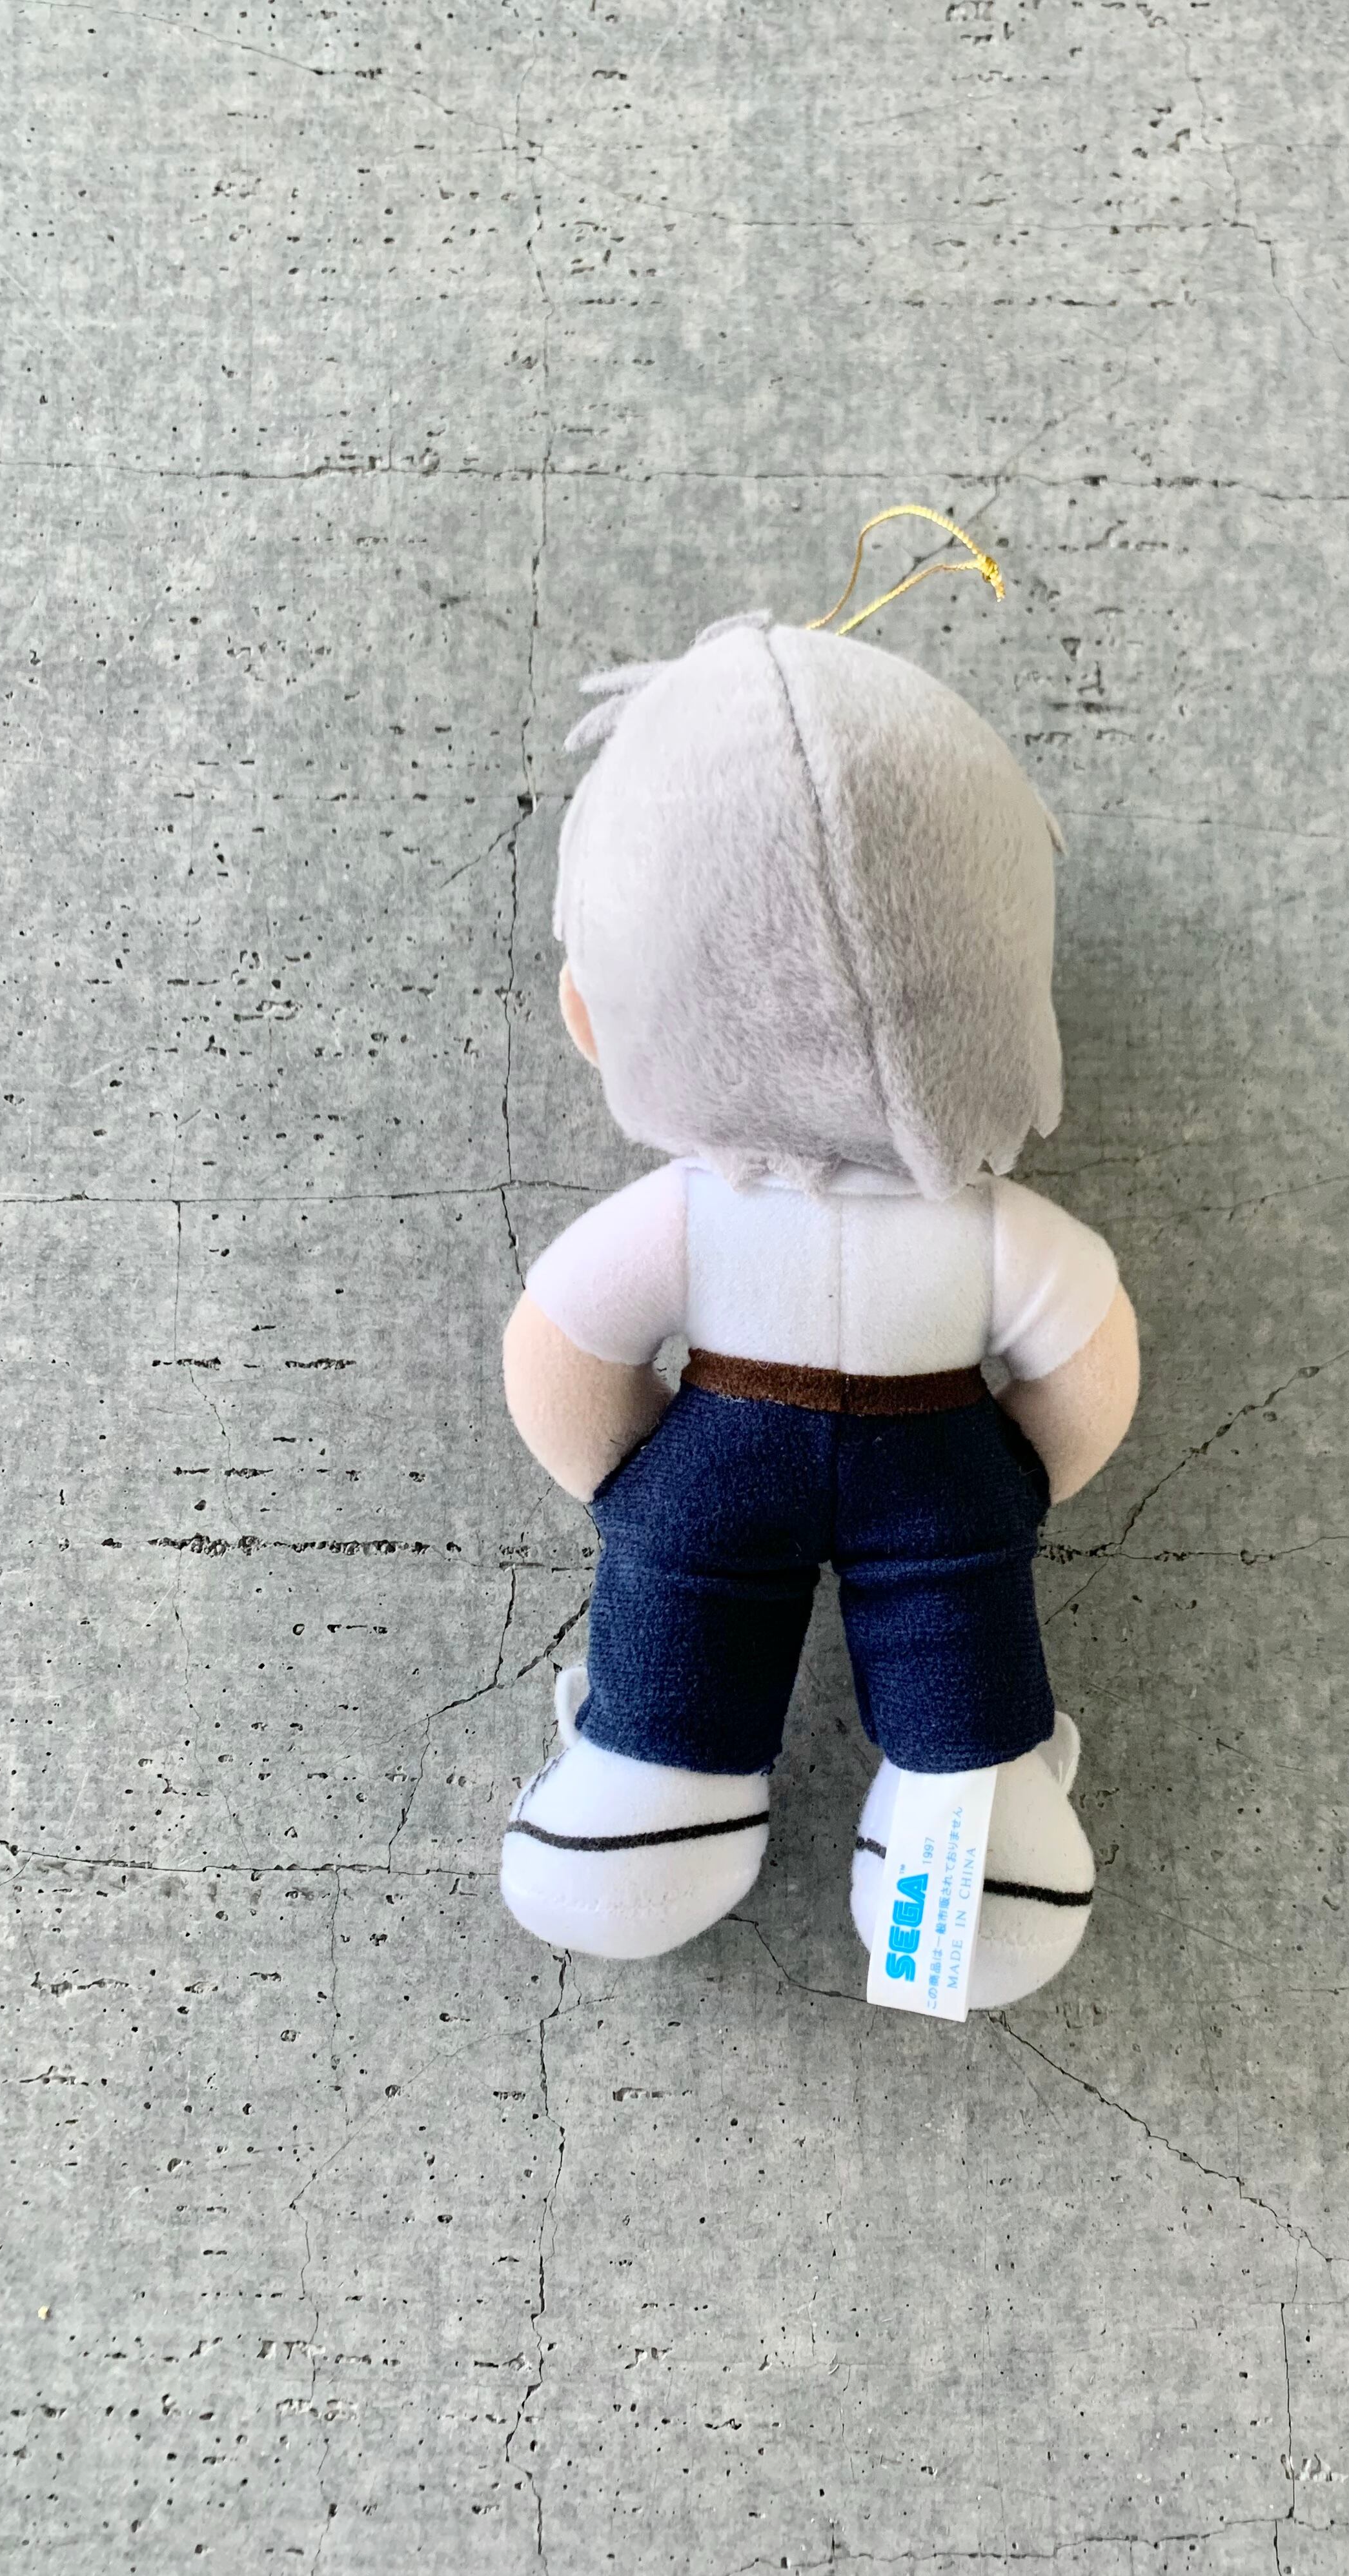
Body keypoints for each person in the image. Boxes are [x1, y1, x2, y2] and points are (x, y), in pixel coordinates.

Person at [500, 605, 1138, 2007]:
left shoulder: (682, 1219)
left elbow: (563, 1347)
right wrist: (1023, 1480)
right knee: (961, 1653)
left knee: (677, 1615)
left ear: (593, 1013)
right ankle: (974, 1872)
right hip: (944, 1476)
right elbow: (1088, 1356)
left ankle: (643, 1812)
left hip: (713, 1460)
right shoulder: (995, 1233)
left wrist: (625, 1479)